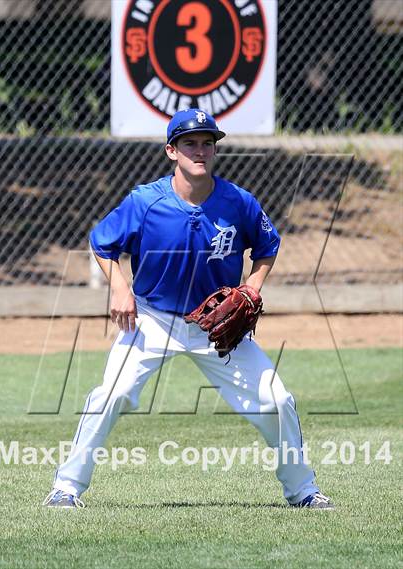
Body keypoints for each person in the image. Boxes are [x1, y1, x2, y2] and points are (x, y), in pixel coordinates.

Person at [43, 108, 333, 509]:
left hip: (218, 330)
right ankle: (66, 488)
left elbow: (267, 247)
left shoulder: (239, 202)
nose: (200, 150)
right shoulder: (145, 201)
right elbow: (102, 242)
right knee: (111, 394)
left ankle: (303, 490)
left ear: (215, 150)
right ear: (171, 150)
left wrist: (253, 283)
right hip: (152, 320)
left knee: (277, 400)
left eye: (207, 143)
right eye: (190, 143)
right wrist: (119, 287)